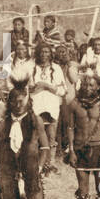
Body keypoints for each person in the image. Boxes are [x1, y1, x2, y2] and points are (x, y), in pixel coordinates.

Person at [0, 83, 56, 199]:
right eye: (14, 101)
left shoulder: (35, 120)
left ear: (28, 101)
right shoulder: (4, 122)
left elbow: (45, 147)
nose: (18, 104)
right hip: (9, 172)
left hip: (30, 172)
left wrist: (37, 168)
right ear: (10, 102)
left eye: (21, 101)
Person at [28, 40, 68, 174]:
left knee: (51, 135)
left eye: (47, 52)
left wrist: (46, 86)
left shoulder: (56, 68)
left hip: (51, 106)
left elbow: (63, 90)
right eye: (41, 52)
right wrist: (33, 88)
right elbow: (22, 86)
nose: (44, 54)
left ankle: (49, 164)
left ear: (51, 54)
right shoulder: (30, 66)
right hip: (35, 106)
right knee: (34, 136)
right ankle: (34, 163)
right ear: (37, 53)